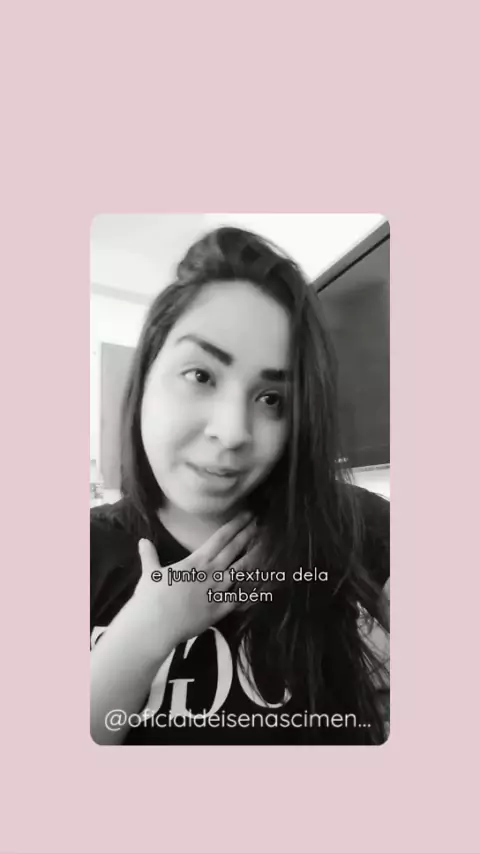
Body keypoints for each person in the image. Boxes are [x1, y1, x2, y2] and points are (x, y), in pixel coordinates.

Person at [90, 226, 390, 746]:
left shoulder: (355, 525)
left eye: (272, 399)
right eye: (201, 375)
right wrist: (145, 632)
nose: (232, 433)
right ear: (146, 377)